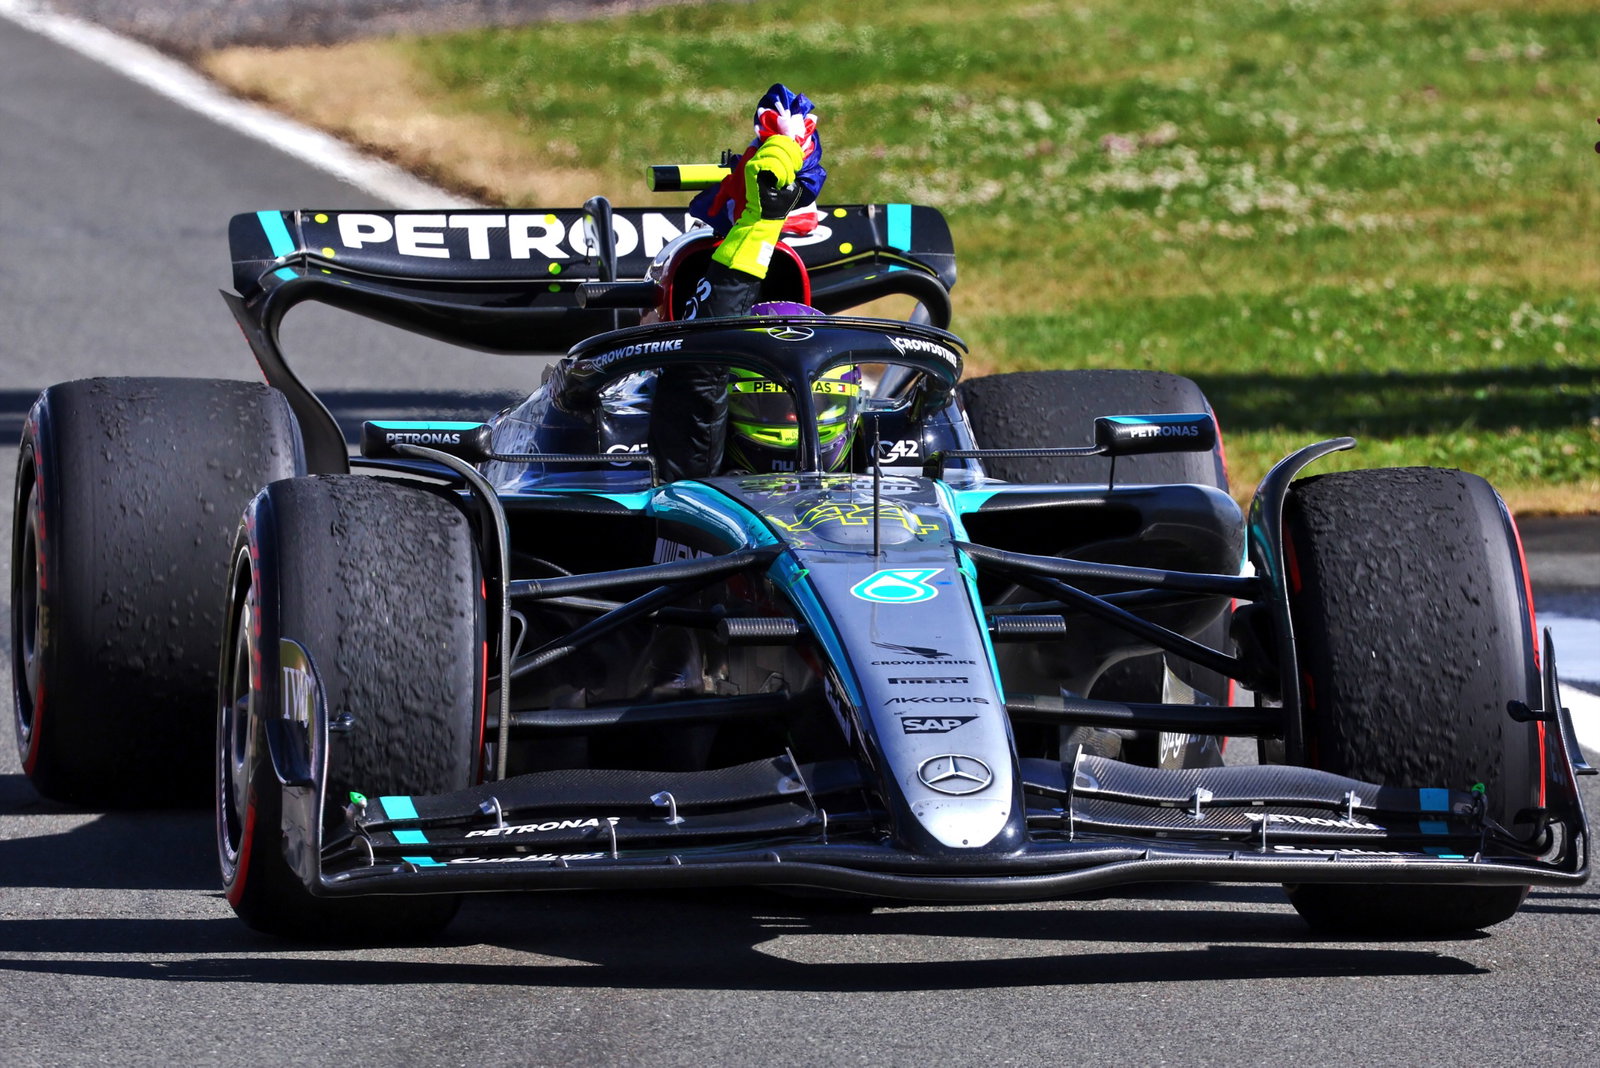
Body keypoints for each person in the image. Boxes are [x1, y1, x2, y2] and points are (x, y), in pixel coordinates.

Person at [648, 85, 829, 480]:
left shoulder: (870, 463)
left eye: (818, 400)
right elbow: (700, 378)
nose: (794, 418)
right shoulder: (691, 475)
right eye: (772, 407)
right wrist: (757, 226)